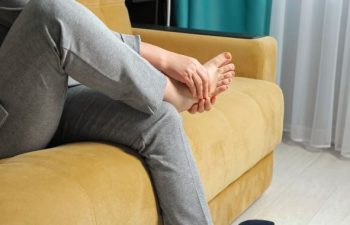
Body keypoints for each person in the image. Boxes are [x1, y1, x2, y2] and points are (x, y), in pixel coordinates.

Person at [0, 0, 235, 224]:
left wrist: (166, 61)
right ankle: (172, 92)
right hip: (8, 124)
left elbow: (79, 31)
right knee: (49, 9)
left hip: (48, 97)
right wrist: (166, 60)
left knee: (160, 117)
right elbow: (54, 18)